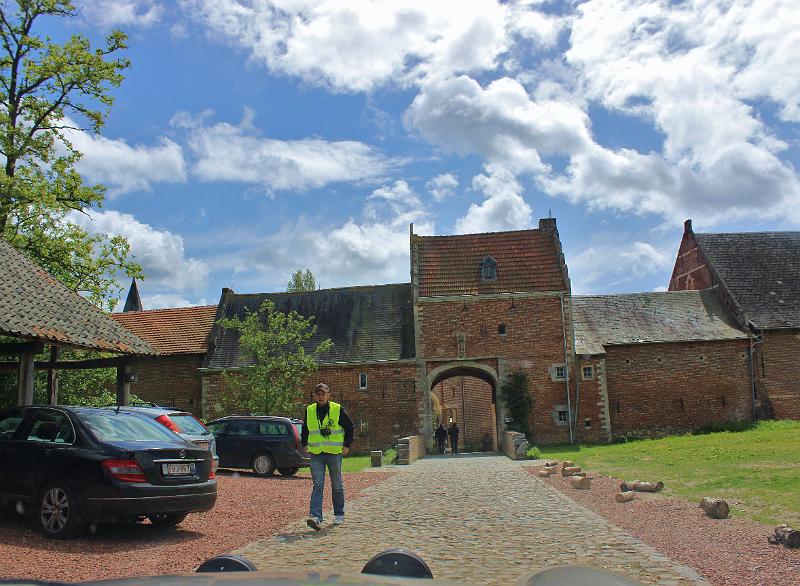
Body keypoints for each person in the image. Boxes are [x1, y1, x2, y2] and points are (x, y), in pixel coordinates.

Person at [301, 382, 354, 530]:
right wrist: (304, 443)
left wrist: (347, 445)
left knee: (336, 484)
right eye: (318, 394)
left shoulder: (338, 409)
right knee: (318, 484)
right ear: (314, 396)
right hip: (316, 453)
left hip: (334, 453)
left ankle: (339, 514)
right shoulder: (310, 410)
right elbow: (305, 429)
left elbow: (350, 427)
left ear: (328, 394)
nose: (320, 396)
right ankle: (316, 517)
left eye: (323, 393)